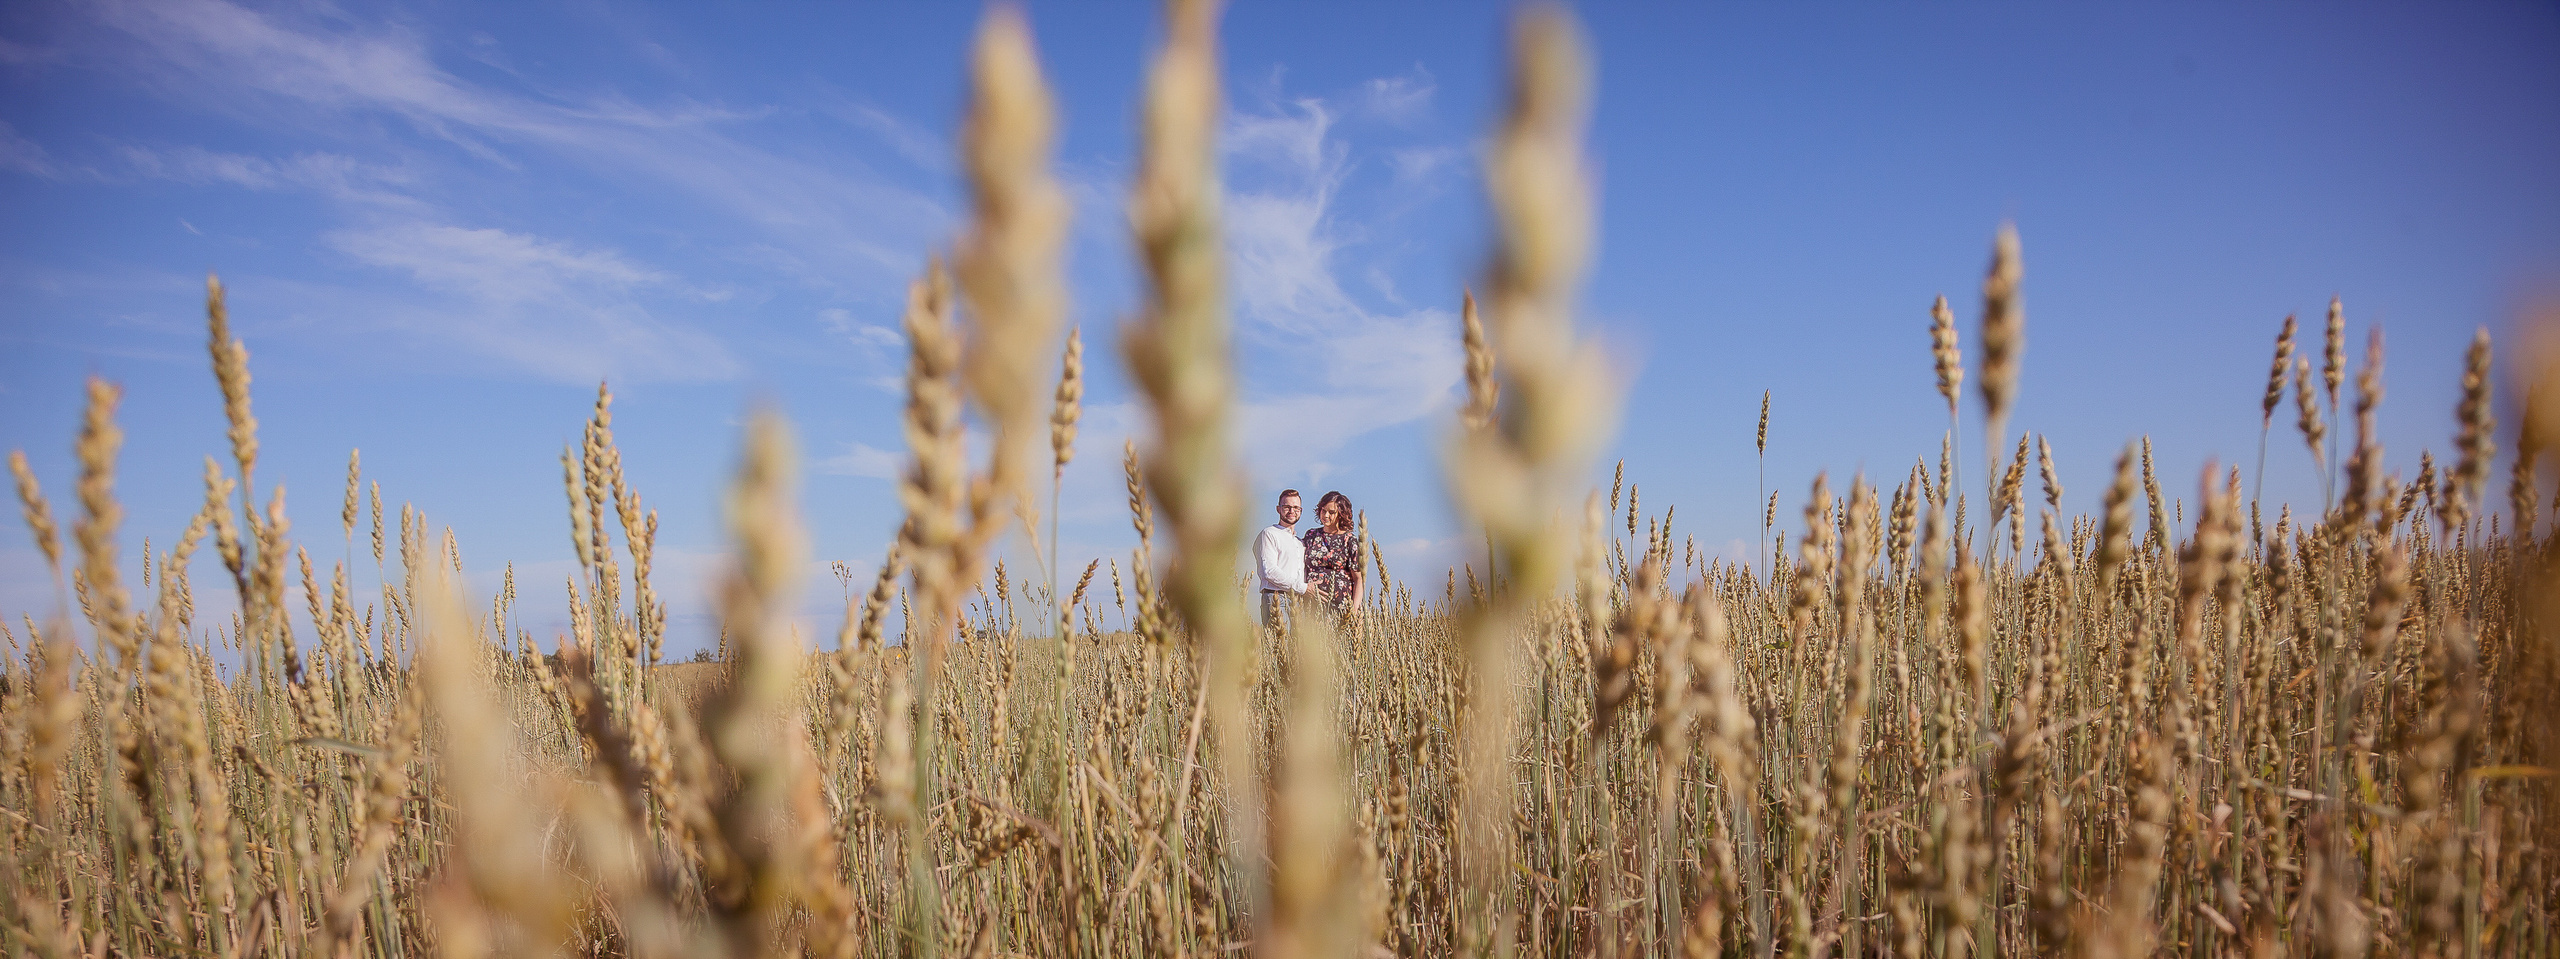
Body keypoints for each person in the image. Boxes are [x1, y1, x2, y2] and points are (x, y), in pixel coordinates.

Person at [1254, 489, 1313, 631]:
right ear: (1278, 509)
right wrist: (1304, 588)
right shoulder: (1269, 534)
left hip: (1297, 601)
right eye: (1287, 507)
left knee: (1295, 650)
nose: (1292, 511)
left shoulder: (1299, 542)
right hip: (1276, 599)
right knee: (1280, 649)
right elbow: (1269, 571)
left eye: (1296, 507)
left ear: (1301, 510)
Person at [1302, 490, 1364, 616]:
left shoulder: (1349, 540)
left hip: (1339, 606)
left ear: (1341, 514)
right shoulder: (1311, 535)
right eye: (1323, 510)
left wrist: (1354, 610)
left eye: (1331, 512)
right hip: (1311, 604)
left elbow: (1358, 579)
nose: (1325, 515)